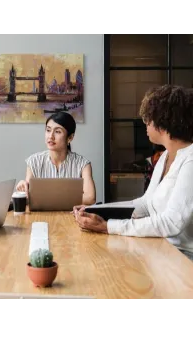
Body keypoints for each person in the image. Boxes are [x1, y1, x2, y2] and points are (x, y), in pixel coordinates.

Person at [74, 84, 193, 261]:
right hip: (160, 248)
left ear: (162, 122)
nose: (145, 124)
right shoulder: (165, 156)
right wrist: (95, 210)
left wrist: (109, 226)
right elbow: (145, 204)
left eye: (148, 119)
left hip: (182, 258)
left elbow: (171, 223)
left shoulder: (190, 161)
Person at [16, 111, 96, 205]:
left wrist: (49, 198)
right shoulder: (34, 161)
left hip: (72, 217)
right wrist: (22, 187)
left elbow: (90, 198)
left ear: (70, 138)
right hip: (41, 217)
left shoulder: (83, 164)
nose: (51, 136)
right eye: (48, 130)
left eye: (57, 131)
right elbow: (29, 198)